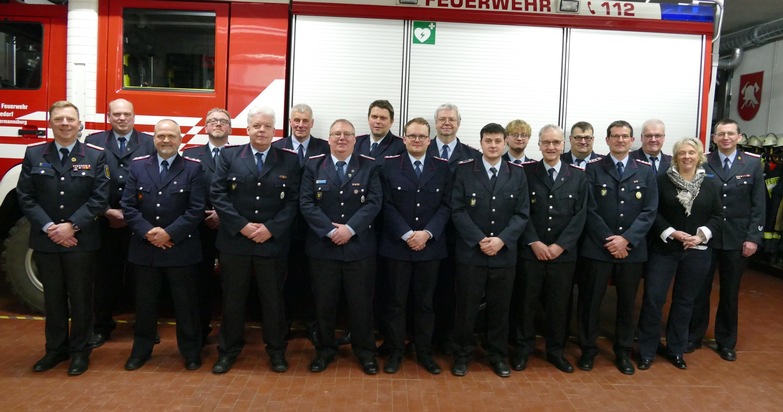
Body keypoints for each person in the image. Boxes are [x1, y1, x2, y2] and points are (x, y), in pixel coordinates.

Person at [18, 101, 109, 375]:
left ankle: (80, 352)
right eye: (59, 119)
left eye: (70, 119)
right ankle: (54, 350)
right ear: (51, 123)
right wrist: (49, 228)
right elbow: (25, 196)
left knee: (81, 299)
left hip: (81, 240)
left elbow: (99, 198)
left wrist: (72, 227)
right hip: (46, 240)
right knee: (53, 299)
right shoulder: (34, 154)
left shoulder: (95, 156)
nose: (65, 123)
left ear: (79, 123)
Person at [210, 106, 301, 374]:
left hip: (272, 242)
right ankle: (227, 351)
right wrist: (243, 227)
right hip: (235, 242)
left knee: (273, 301)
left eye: (267, 127)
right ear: (247, 129)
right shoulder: (229, 156)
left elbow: (294, 201)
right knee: (233, 300)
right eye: (257, 126)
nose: (262, 131)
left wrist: (270, 229)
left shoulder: (289, 160)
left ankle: (276, 352)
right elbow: (219, 194)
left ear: (275, 131)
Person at [121, 119, 205, 371]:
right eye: (160, 136)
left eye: (171, 136)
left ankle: (191, 352)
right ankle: (141, 351)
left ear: (180, 140)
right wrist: (148, 233)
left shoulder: (193, 168)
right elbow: (127, 205)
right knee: (144, 306)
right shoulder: (138, 167)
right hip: (145, 249)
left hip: (180, 249)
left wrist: (169, 234)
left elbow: (196, 209)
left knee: (186, 306)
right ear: (153, 139)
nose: (165, 141)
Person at [300, 119, 382, 375]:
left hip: (359, 249)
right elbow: (306, 202)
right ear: (329, 139)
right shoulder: (313, 165)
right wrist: (330, 230)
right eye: (336, 134)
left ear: (355, 139)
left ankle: (365, 352)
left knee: (361, 306)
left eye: (347, 134)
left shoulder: (369, 165)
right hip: (323, 249)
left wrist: (349, 229)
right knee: (324, 304)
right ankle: (324, 351)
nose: (342, 138)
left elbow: (374, 202)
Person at [578, 120, 658, 375]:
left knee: (626, 304)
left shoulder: (645, 171)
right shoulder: (592, 169)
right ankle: (588, 350)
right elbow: (587, 209)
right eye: (615, 136)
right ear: (608, 140)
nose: (620, 140)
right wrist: (609, 240)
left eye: (625, 136)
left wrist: (626, 240)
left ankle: (622, 352)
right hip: (597, 248)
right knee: (590, 302)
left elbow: (649, 211)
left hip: (631, 251)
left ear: (632, 140)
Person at [450, 123, 529, 378]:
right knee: (466, 307)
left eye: (497, 141)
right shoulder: (464, 170)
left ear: (505, 143)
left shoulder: (517, 173)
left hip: (504, 254)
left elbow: (521, 213)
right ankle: (462, 355)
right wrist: (479, 239)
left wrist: (501, 240)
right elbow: (457, 209)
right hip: (471, 253)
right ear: (481, 142)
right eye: (488, 141)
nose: (493, 145)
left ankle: (497, 355)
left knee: (499, 308)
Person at [637, 137, 722, 371]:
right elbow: (652, 212)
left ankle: (676, 349)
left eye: (691, 153)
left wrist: (700, 235)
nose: (687, 157)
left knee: (685, 302)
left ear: (699, 156)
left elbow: (717, 217)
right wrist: (673, 233)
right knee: (653, 300)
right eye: (682, 153)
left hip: (697, 251)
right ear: (675, 156)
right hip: (664, 250)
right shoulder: (661, 181)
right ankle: (646, 350)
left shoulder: (710, 185)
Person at [378, 117, 451, 374]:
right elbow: (384, 204)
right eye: (412, 136)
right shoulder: (388, 166)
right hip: (397, 246)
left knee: (425, 304)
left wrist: (427, 234)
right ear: (405, 138)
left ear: (429, 140)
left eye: (422, 136)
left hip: (430, 248)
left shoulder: (442, 167)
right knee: (396, 303)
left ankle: (424, 352)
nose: (417, 140)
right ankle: (396, 352)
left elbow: (446, 205)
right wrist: (407, 233)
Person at [513, 125, 588, 374]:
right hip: (530, 252)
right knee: (526, 303)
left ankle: (556, 351)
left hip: (562, 255)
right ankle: (523, 349)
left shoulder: (577, 175)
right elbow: (520, 212)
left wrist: (559, 246)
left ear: (564, 145)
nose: (551, 147)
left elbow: (580, 216)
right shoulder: (525, 172)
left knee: (559, 305)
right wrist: (534, 242)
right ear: (539, 145)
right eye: (546, 142)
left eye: (556, 142)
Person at [688, 119, 765, 361]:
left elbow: (758, 204)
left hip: (736, 239)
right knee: (700, 290)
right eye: (721, 134)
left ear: (739, 137)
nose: (726, 138)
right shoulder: (703, 162)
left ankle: (726, 341)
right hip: (706, 238)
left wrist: (753, 238)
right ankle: (694, 336)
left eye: (730, 134)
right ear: (714, 138)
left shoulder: (752, 164)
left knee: (730, 293)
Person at [85, 98, 156, 348]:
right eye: (117, 114)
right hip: (105, 220)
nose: (122, 118)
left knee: (143, 278)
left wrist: (131, 215)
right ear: (109, 116)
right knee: (103, 277)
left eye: (127, 114)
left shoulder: (149, 142)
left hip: (139, 221)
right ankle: (101, 327)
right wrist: (106, 211)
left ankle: (145, 326)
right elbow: (89, 182)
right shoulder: (93, 142)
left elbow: (157, 181)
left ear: (134, 116)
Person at [272, 103, 330, 341]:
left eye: (305, 121)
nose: (300, 125)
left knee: (314, 280)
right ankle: (284, 323)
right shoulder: (276, 148)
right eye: (296, 120)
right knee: (285, 278)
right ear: (290, 122)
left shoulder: (325, 147)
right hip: (285, 227)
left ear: (312, 123)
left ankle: (312, 323)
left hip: (316, 228)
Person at [426, 103, 481, 354]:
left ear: (459, 123)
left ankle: (447, 337)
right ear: (435, 123)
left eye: (451, 119)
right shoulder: (421, 149)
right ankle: (423, 337)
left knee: (453, 290)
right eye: (442, 119)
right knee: (427, 289)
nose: (446, 123)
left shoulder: (472, 155)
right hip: (427, 232)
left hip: (460, 236)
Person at [182, 108, 232, 342]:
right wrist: (201, 214)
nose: (218, 124)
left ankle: (229, 334)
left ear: (230, 127)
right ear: (205, 127)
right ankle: (199, 331)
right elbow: (183, 190)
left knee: (231, 284)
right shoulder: (190, 155)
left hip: (231, 228)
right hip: (198, 227)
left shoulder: (240, 154)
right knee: (199, 282)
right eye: (212, 121)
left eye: (223, 121)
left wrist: (223, 214)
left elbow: (246, 192)